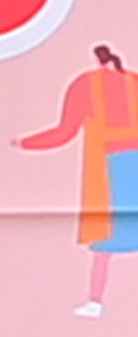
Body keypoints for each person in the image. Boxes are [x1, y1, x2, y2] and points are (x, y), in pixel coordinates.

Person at [13, 43, 138, 316]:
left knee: (105, 244)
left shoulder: (86, 85)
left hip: (110, 168)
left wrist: (25, 143)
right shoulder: (134, 82)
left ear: (94, 59)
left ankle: (96, 302)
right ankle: (95, 302)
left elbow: (64, 132)